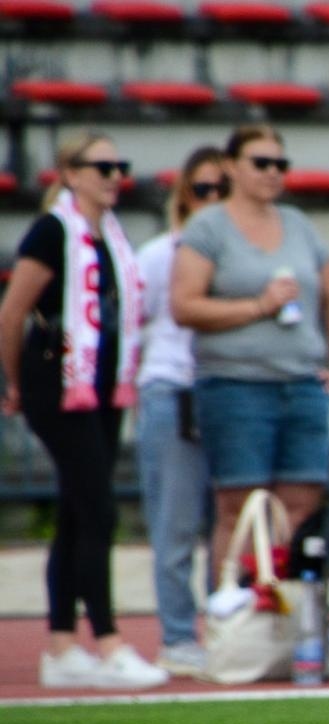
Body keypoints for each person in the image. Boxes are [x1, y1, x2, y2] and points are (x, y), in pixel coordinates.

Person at [0, 130, 169, 688]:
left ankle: (62, 647)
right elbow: (13, 312)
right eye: (101, 167)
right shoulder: (53, 232)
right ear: (70, 174)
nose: (114, 176)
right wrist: (15, 383)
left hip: (101, 382)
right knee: (99, 509)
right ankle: (110, 641)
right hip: (59, 378)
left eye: (118, 166)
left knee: (76, 511)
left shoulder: (110, 235)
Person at [169, 123, 329, 588]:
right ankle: (232, 617)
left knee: (301, 502)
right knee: (238, 505)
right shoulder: (207, 226)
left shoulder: (298, 223)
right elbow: (184, 305)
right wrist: (259, 306)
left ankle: (283, 620)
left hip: (301, 382)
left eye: (281, 164)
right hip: (235, 383)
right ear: (231, 166)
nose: (273, 172)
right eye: (261, 162)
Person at [135, 144, 227, 678]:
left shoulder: (240, 252)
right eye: (203, 189)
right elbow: (135, 326)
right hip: (173, 387)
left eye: (223, 188)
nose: (213, 199)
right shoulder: (161, 253)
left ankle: (224, 628)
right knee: (176, 524)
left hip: (229, 390)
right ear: (184, 196)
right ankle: (176, 636)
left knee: (229, 524)